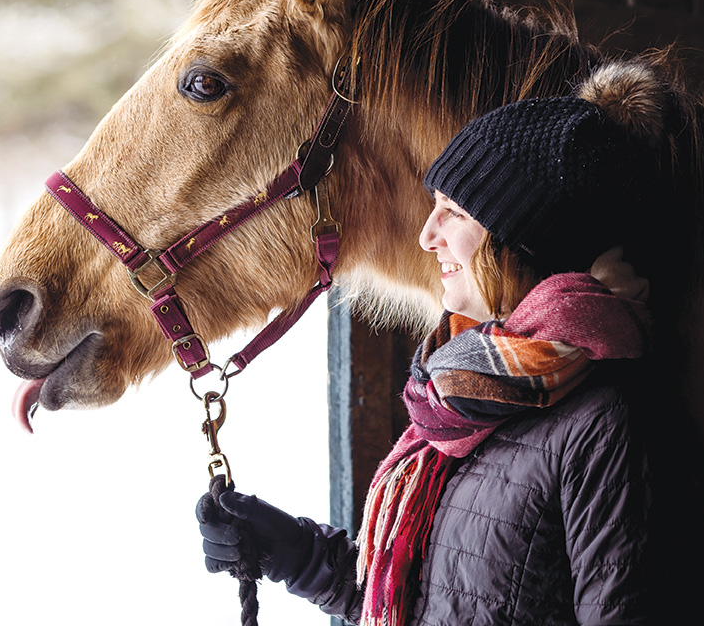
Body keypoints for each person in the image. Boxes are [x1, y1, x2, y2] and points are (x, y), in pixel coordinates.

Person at [196, 88, 670, 625]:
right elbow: (429, 602)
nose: (427, 236)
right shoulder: (466, 393)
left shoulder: (602, 422)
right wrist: (294, 553)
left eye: (453, 212)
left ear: (518, 238)